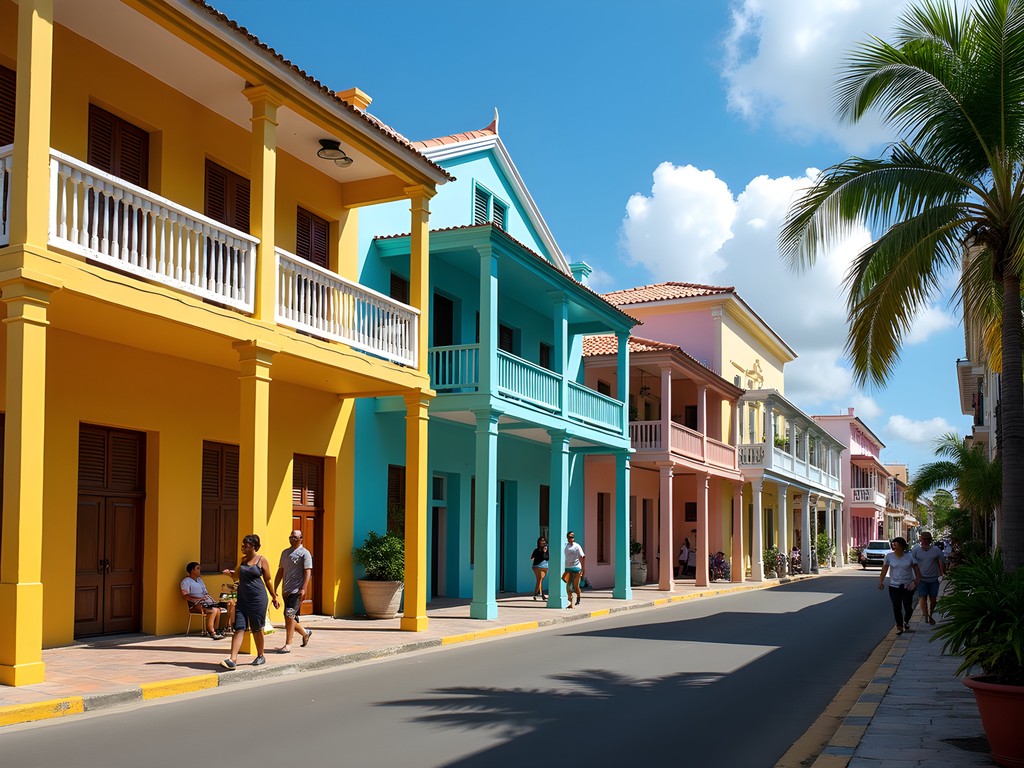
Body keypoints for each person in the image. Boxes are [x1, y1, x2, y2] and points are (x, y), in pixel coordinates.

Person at [221, 534, 280, 669]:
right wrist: (229, 574)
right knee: (239, 628)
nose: (243, 546)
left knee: (257, 628)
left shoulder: (261, 560)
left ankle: (261, 655)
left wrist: (274, 597)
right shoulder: (242, 561)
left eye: (246, 544)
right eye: (243, 544)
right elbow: (236, 576)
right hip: (242, 599)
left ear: (254, 546)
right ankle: (232, 659)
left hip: (257, 599)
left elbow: (268, 580)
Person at [274, 530, 313, 653]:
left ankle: (288, 644)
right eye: (291, 537)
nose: (292, 539)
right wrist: (274, 589)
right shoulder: (285, 552)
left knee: (289, 615)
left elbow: (308, 571)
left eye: (295, 538)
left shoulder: (304, 553)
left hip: (296, 590)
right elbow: (281, 570)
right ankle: (305, 632)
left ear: (301, 538)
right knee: (288, 617)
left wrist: (303, 588)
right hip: (286, 589)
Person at [878, 536, 921, 635]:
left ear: (901, 545)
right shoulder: (889, 556)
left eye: (895, 543)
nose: (893, 545)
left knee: (908, 606)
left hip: (908, 585)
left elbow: (917, 571)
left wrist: (916, 582)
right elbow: (884, 569)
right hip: (894, 586)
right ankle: (899, 626)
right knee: (896, 606)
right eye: (892, 543)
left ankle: (906, 621)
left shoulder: (910, 556)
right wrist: (881, 582)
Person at [180, 561, 225, 640]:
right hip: (195, 604)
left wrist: (208, 599)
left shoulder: (200, 580)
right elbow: (185, 596)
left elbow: (205, 592)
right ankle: (211, 632)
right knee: (213, 610)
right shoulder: (186, 581)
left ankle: (216, 630)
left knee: (218, 610)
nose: (199, 570)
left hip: (205, 602)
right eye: (197, 569)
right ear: (192, 570)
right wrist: (198, 598)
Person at [911, 531, 946, 625]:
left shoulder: (936, 550)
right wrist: (914, 577)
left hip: (933, 578)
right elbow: (912, 564)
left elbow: (942, 561)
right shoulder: (916, 550)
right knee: (922, 597)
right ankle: (926, 615)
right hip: (921, 579)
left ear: (930, 540)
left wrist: (943, 572)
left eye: (927, 539)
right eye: (924, 539)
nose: (925, 541)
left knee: (933, 598)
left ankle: (931, 614)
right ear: (920, 539)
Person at [562, 531, 586, 608]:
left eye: (572, 537)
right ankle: (570, 602)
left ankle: (578, 598)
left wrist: (583, 568)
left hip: (576, 568)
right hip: (568, 568)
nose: (571, 538)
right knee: (568, 586)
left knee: (575, 586)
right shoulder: (566, 546)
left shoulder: (577, 546)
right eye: (569, 537)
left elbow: (582, 556)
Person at [529, 536, 549, 600]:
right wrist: (541, 553)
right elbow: (532, 557)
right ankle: (538, 594)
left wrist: (545, 552)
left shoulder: (546, 549)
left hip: (544, 566)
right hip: (537, 566)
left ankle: (538, 595)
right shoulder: (536, 550)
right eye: (541, 541)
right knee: (539, 580)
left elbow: (547, 557)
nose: (543, 542)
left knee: (540, 580)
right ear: (539, 542)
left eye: (544, 541)